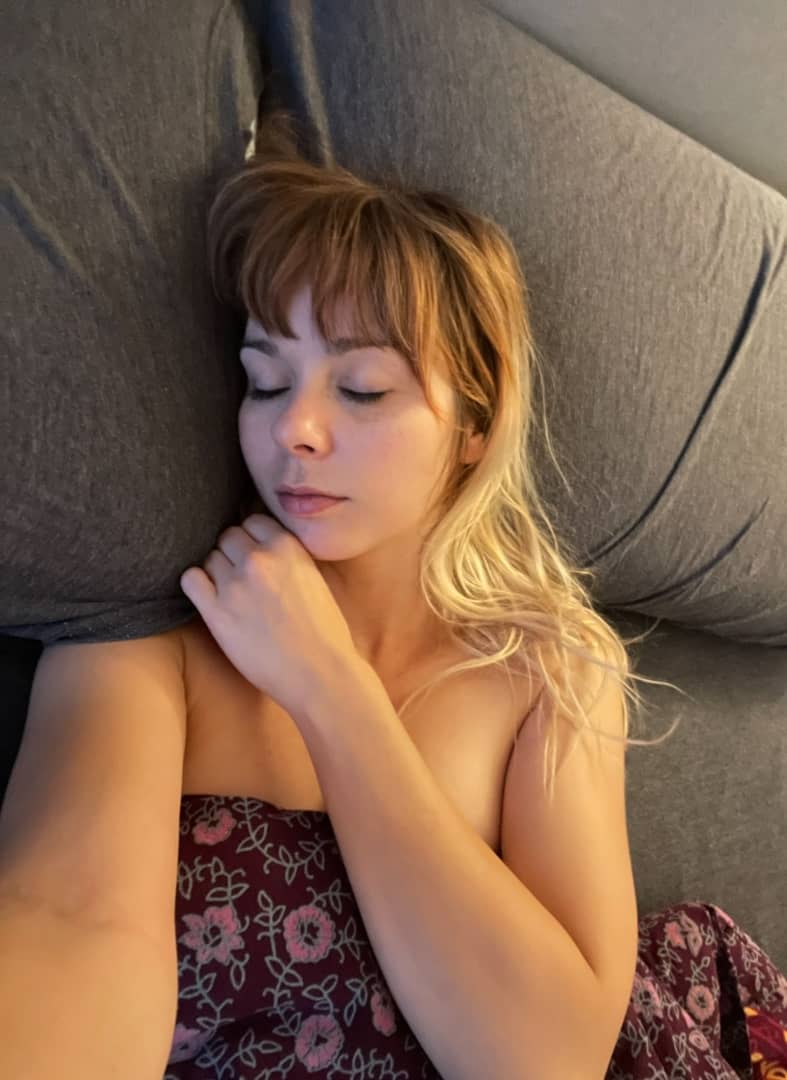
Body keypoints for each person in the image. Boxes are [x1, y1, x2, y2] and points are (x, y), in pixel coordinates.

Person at [1, 114, 784, 1080]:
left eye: (363, 389)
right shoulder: (149, 633)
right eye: (263, 382)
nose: (293, 429)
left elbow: (550, 1059)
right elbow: (67, 920)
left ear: (473, 424)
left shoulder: (550, 665)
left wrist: (328, 688)